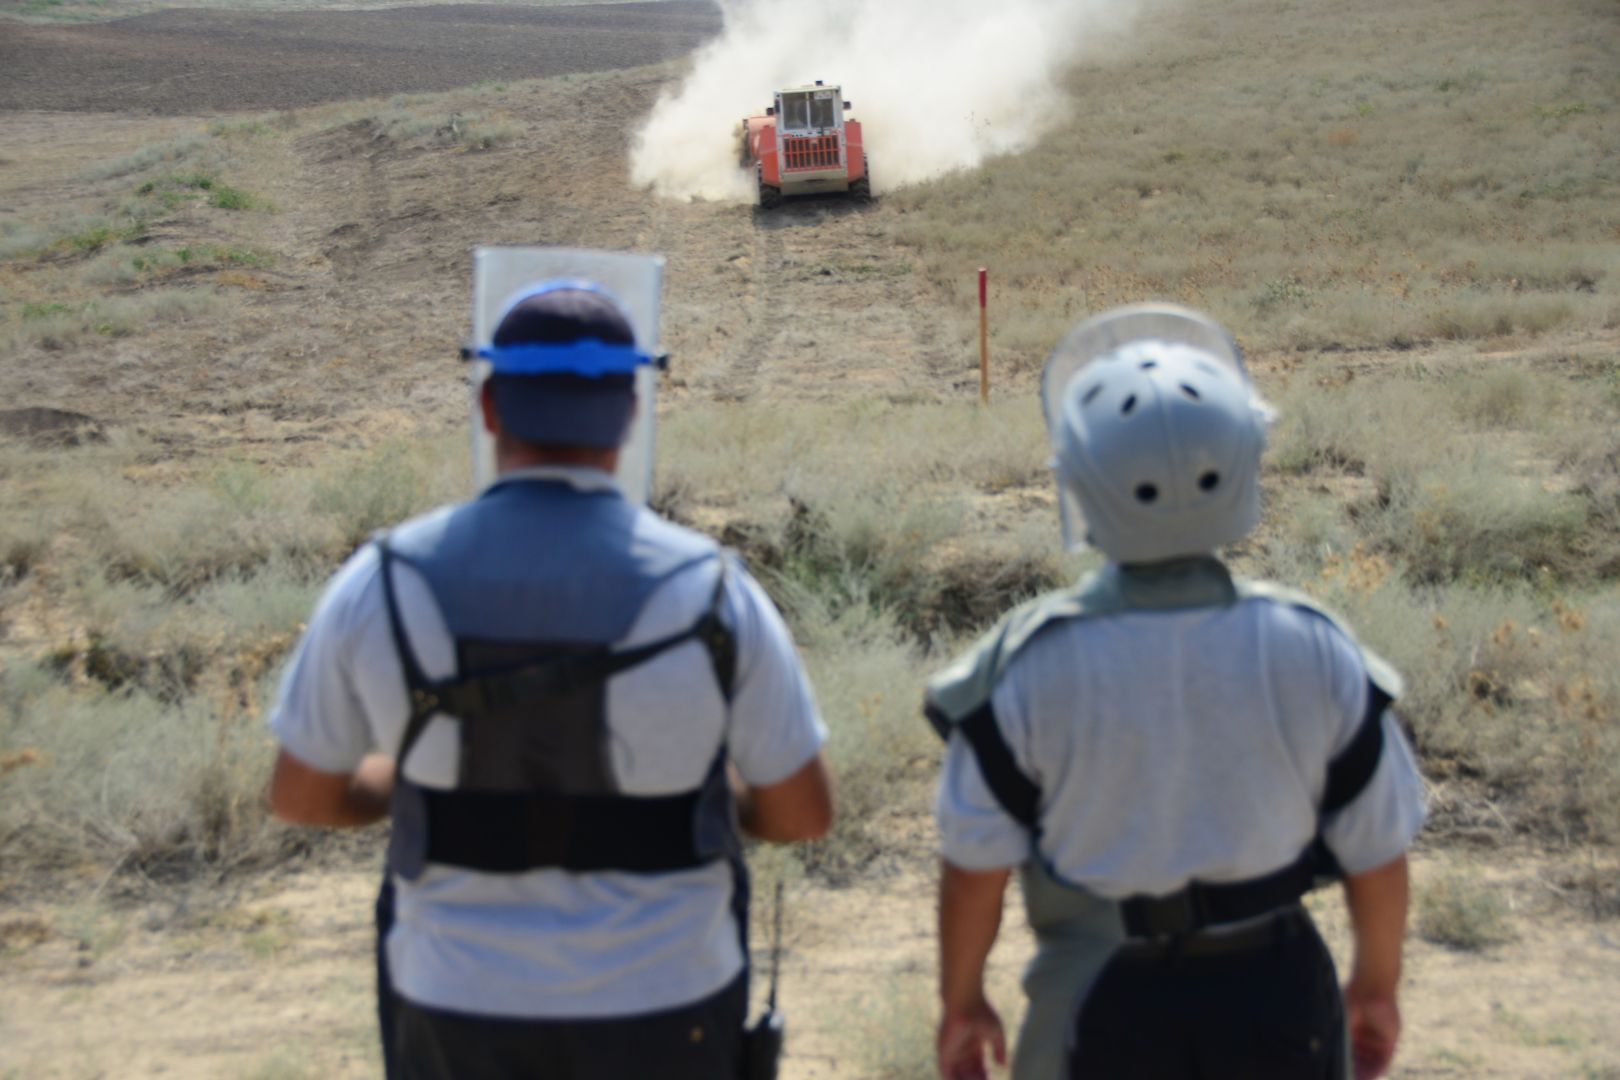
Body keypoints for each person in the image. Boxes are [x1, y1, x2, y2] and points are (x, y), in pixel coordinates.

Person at [266, 280, 833, 1080]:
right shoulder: (715, 590)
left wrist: (421, 788)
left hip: (453, 998)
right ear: (632, 413)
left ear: (490, 407)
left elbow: (301, 796)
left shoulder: (382, 581)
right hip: (669, 1000)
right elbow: (802, 814)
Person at [925, 305, 1426, 1080]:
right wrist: (1377, 987)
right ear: (1244, 462)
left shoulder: (1027, 665)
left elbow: (973, 867)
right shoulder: (1316, 647)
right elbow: (1379, 850)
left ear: (1081, 486)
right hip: (1278, 990)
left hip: (1098, 989)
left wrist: (962, 1002)